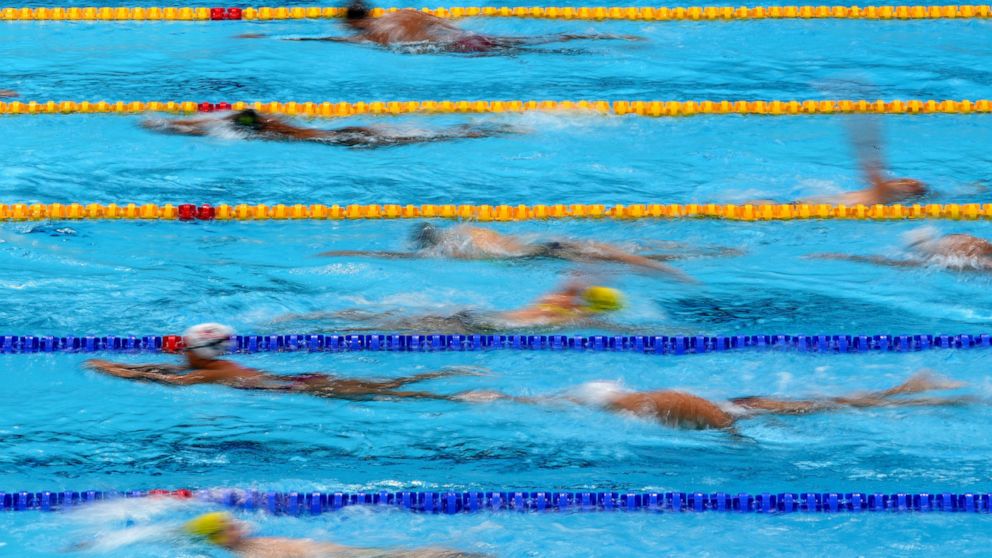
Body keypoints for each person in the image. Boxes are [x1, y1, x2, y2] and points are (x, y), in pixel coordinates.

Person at [456, 371, 971, 432]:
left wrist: (742, 445)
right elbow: (551, 401)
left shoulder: (652, 404)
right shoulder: (623, 402)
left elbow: (715, 418)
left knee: (833, 408)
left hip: (738, 409)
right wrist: (503, 397)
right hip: (737, 401)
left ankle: (917, 394)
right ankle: (910, 390)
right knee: (833, 402)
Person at [85, 323, 474, 400]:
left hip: (305, 387)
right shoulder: (213, 367)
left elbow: (170, 382)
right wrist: (120, 365)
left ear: (196, 352)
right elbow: (165, 371)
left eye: (184, 347)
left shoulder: (202, 376)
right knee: (385, 388)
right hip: (300, 380)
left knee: (396, 395)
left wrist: (116, 373)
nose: (178, 354)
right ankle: (442, 373)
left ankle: (458, 393)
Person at [318, 222, 718, 282]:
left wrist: (350, 250)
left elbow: (400, 259)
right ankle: (708, 255)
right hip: (546, 244)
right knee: (630, 251)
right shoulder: (464, 228)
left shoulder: (451, 250)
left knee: (628, 259)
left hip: (541, 254)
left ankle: (679, 272)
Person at [240, 0, 643, 54]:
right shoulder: (407, 13)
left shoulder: (367, 35)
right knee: (534, 39)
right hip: (462, 36)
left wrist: (269, 35)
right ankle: (608, 35)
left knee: (525, 50)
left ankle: (585, 43)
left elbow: (320, 38)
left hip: (458, 49)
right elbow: (449, 24)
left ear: (351, 24)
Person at [281, 280, 626, 333]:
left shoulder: (558, 301)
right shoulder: (575, 318)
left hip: (476, 314)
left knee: (395, 320)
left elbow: (571, 282)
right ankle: (320, 323)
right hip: (483, 326)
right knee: (395, 326)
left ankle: (308, 317)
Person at [756, 115, 927, 206]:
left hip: (807, 208)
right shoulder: (879, 194)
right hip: (806, 207)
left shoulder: (886, 193)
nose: (900, 180)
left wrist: (863, 135)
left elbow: (872, 170)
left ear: (905, 192)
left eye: (908, 183)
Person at [142, 108, 517, 148]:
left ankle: (477, 131)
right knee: (430, 135)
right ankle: (475, 129)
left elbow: (208, 126)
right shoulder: (267, 125)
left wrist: (168, 125)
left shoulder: (254, 128)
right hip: (345, 132)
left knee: (431, 138)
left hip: (344, 140)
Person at [184, 512, 484, 557]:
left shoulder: (248, 544)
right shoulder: (255, 552)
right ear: (220, 538)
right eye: (229, 526)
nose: (238, 525)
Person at [812, 228, 992, 272]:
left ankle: (920, 242)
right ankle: (920, 243)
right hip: (955, 250)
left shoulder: (976, 255)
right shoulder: (959, 261)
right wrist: (848, 257)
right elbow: (893, 262)